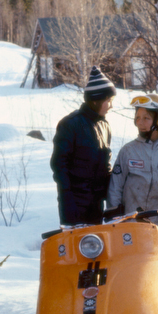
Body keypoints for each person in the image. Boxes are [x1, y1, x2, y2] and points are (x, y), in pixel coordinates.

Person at [50, 66, 116, 226]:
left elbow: (106, 165)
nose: (111, 106)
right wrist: (68, 199)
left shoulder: (105, 126)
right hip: (74, 203)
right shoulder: (70, 124)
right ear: (96, 100)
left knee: (96, 247)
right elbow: (59, 165)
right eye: (109, 101)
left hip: (96, 204)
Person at [106, 93, 158, 227]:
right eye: (137, 118)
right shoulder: (128, 150)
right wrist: (114, 214)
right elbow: (115, 187)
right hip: (130, 224)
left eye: (146, 118)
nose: (140, 123)